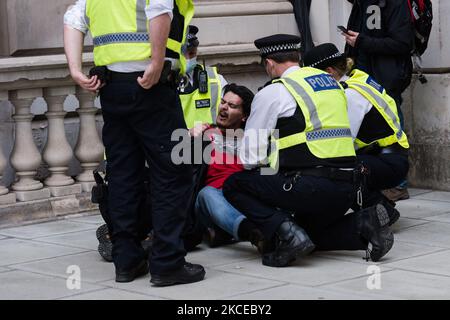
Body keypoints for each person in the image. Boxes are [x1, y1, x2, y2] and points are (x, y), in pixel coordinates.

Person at [64, 0, 205, 287]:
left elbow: (73, 18)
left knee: (123, 175)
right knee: (173, 173)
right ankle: (167, 263)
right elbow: (160, 11)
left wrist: (76, 70)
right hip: (150, 87)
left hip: (112, 89)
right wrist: (156, 62)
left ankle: (126, 261)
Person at [223, 34, 395, 267]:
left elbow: (250, 159)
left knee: (235, 184)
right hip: (348, 188)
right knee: (310, 235)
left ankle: (289, 234)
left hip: (310, 188)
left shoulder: (273, 92)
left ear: (269, 63)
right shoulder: (331, 83)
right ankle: (364, 223)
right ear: (297, 57)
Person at [303, 43, 409, 225]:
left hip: (388, 162)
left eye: (312, 78)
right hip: (387, 157)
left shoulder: (350, 94)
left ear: (329, 72)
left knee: (337, 171)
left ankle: (381, 209)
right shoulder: (357, 78)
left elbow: (343, 141)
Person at [343, 0, 414, 201]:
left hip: (386, 80)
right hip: (363, 79)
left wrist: (362, 41)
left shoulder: (393, 3)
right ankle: (378, 179)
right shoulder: (361, 3)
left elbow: (402, 43)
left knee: (393, 128)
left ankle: (398, 185)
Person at [190, 83, 265, 252]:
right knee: (206, 193)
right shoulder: (204, 133)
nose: (224, 108)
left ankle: (222, 233)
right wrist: (190, 137)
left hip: (241, 198)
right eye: (223, 102)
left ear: (244, 116)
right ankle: (252, 233)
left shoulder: (251, 140)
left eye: (231, 106)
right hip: (207, 203)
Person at [179, 25, 228, 129]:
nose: (188, 58)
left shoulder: (216, 78)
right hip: (179, 141)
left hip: (213, 141)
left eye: (192, 53)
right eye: (183, 54)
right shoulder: (163, 80)